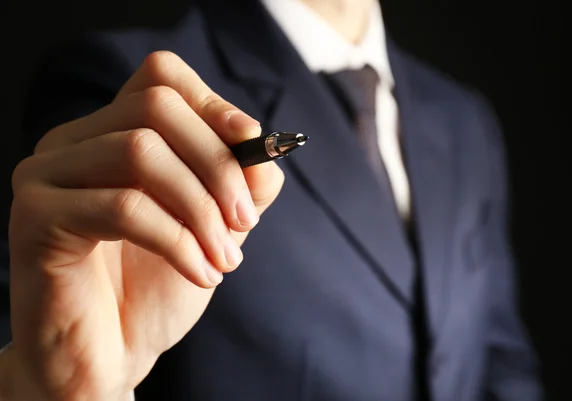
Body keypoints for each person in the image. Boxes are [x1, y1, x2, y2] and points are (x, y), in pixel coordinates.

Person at [0, 0, 543, 399]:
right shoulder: (134, 89)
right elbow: (47, 341)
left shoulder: (465, 120)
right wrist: (71, 393)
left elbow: (500, 360)